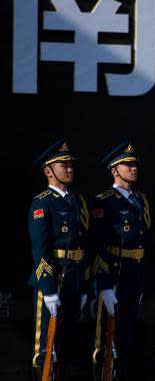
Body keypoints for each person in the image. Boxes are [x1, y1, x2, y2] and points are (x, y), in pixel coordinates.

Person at [29, 140, 91, 381]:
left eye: (70, 164)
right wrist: (48, 289)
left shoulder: (75, 201)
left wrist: (84, 285)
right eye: (62, 164)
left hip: (74, 280)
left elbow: (82, 244)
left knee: (67, 346)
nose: (69, 169)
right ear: (48, 171)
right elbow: (41, 249)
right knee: (46, 349)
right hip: (54, 279)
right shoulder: (43, 202)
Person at [91, 141, 150, 381]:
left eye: (134, 163)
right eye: (127, 164)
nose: (133, 167)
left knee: (127, 335)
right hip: (114, 273)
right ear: (115, 170)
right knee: (105, 337)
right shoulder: (104, 200)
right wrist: (104, 285)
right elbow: (98, 245)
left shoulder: (140, 200)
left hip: (134, 274)